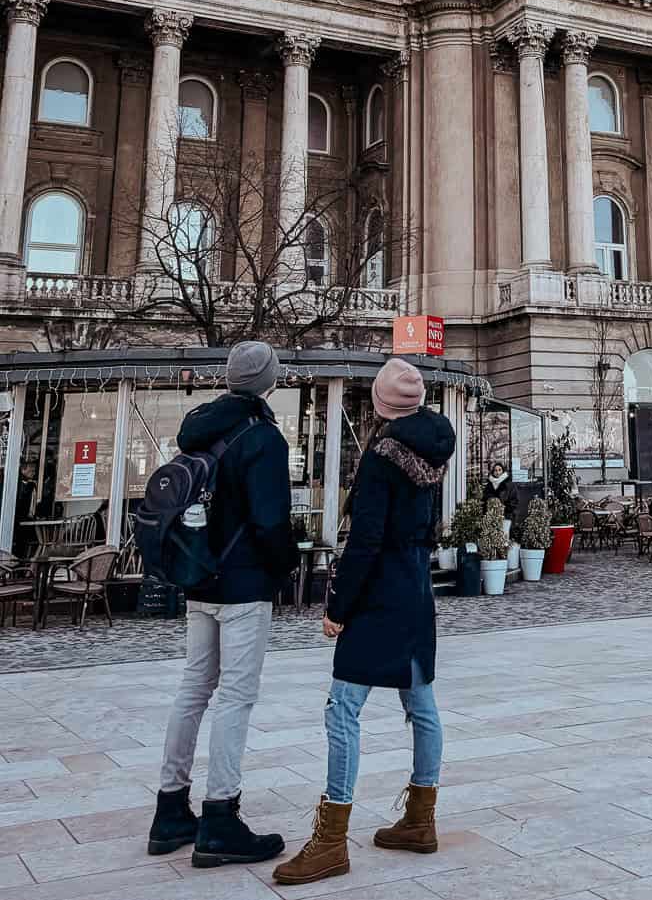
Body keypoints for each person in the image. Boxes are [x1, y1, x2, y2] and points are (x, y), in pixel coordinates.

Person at [272, 358, 455, 888]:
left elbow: (366, 540)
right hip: (416, 588)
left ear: (381, 403)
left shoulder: (382, 457)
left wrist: (337, 607)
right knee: (420, 702)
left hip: (379, 594)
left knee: (343, 708)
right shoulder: (434, 447)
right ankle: (421, 819)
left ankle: (331, 839)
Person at [149, 340, 299, 868]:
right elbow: (270, 519)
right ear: (268, 382)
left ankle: (170, 809)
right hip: (243, 584)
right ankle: (220, 816)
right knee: (235, 696)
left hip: (201, 578)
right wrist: (287, 567)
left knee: (193, 689)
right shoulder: (262, 438)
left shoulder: (201, 427)